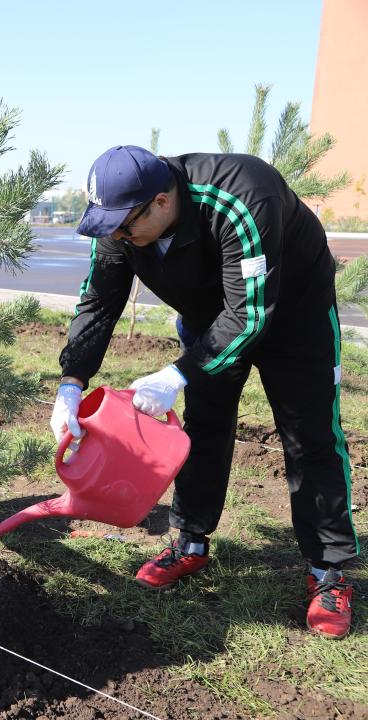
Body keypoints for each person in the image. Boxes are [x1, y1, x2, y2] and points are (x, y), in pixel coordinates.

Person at [50, 145, 357, 639]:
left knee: (309, 435)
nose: (120, 236)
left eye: (127, 226)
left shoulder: (240, 195)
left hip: (293, 315)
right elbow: (99, 302)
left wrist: (177, 374)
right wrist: (71, 382)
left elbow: (251, 313)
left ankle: (328, 571)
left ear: (162, 202)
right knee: (204, 427)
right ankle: (190, 542)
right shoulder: (121, 222)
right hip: (210, 316)